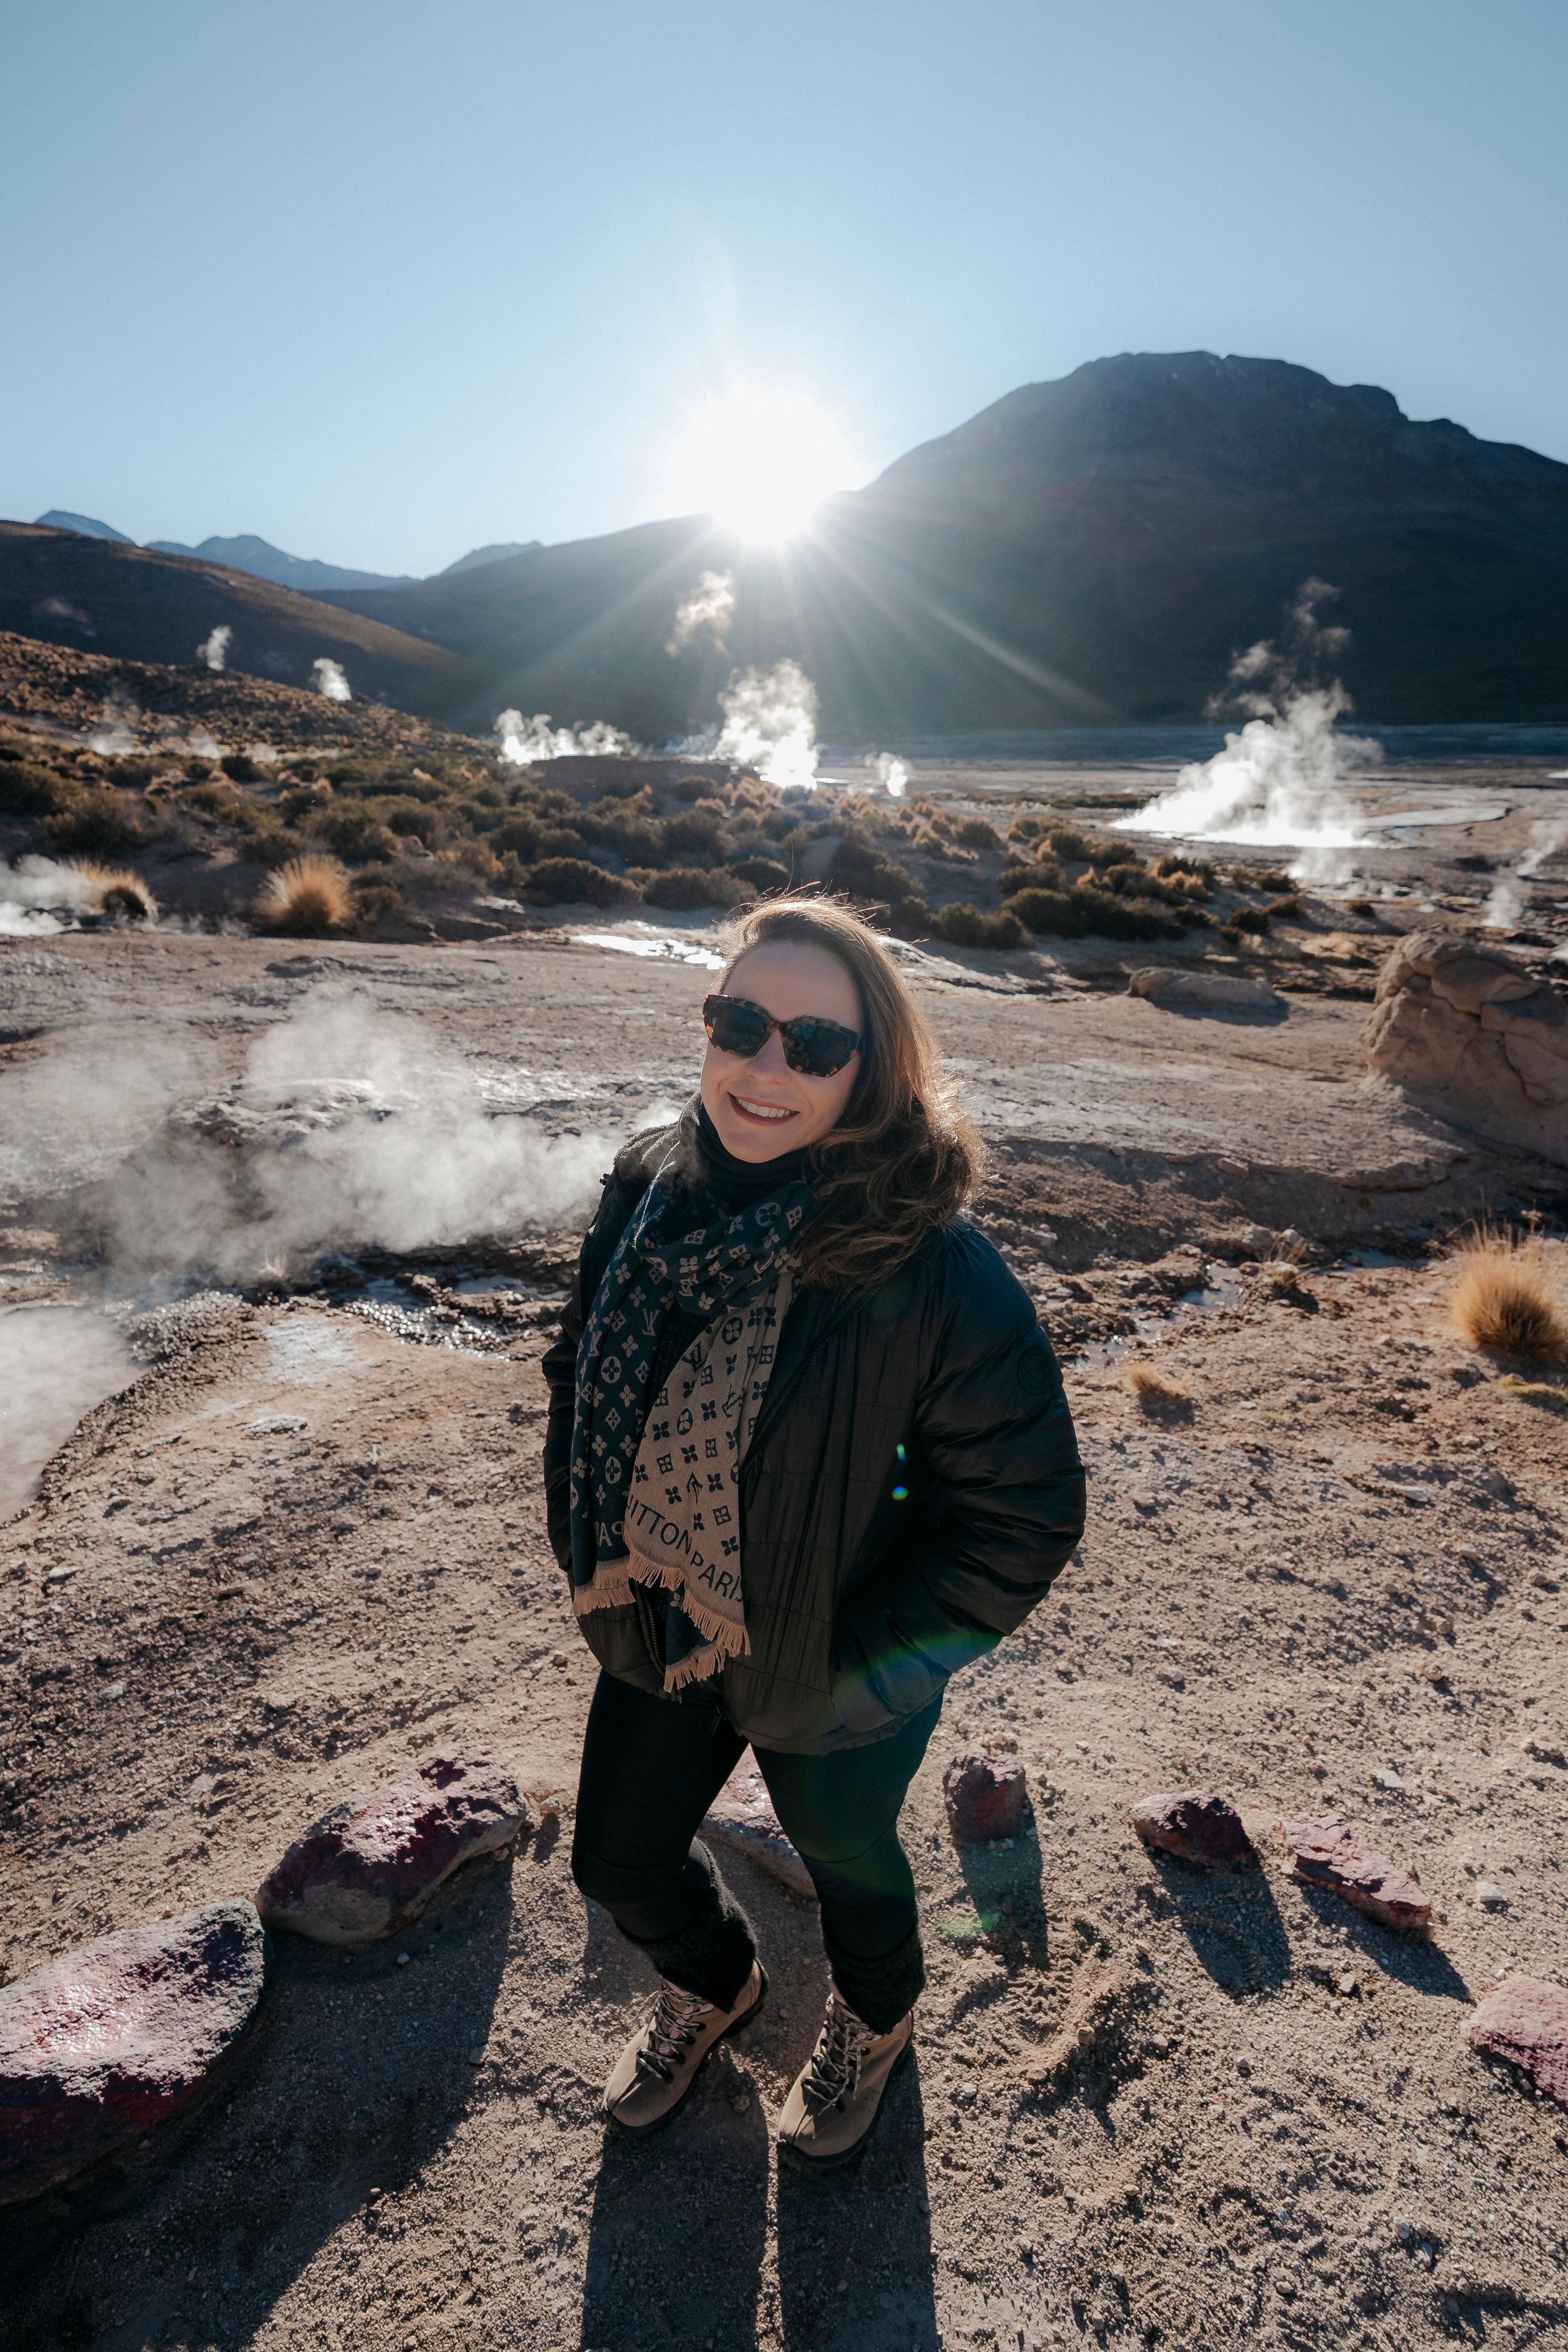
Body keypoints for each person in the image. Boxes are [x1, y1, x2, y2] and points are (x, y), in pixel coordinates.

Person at [542, 895, 1085, 2170]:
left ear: (869, 1069)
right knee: (617, 1861)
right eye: (739, 1023)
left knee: (852, 1867)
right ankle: (717, 1982)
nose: (765, 1066)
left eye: (815, 1045)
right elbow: (578, 1369)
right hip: (662, 1617)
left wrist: (864, 1669)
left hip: (833, 1667)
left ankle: (876, 2020)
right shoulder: (646, 1186)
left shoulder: (931, 1267)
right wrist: (585, 1535)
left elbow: (1025, 1513)